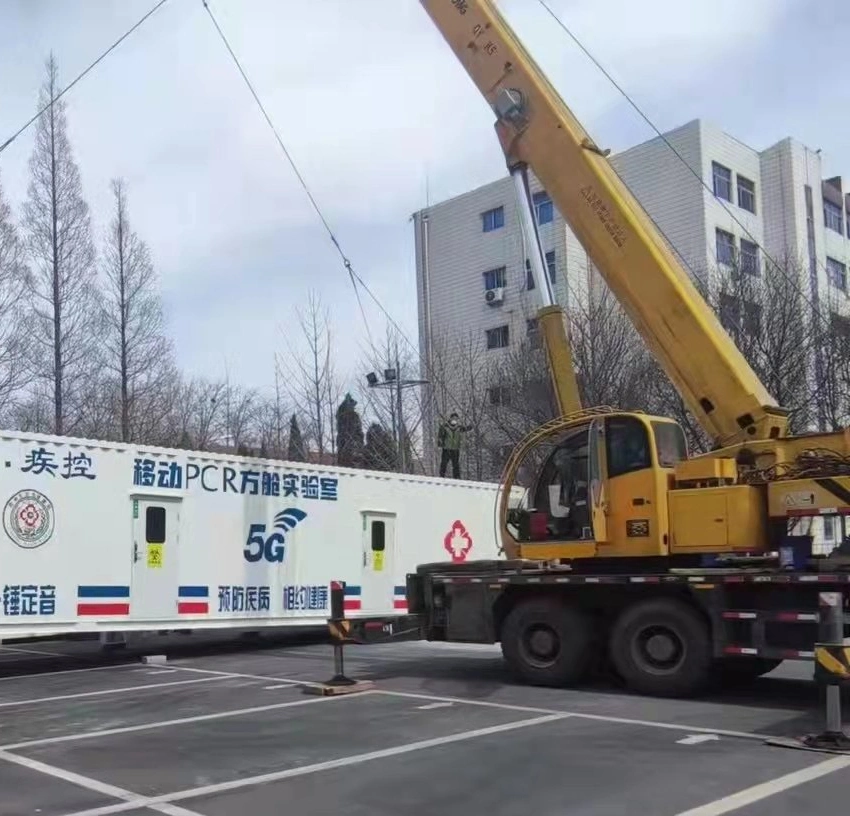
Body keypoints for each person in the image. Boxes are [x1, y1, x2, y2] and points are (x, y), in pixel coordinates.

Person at [437, 412, 470, 478]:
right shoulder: (445, 426)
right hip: (447, 448)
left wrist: (470, 427)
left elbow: (465, 429)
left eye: (456, 418)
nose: (454, 420)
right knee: (444, 463)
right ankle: (441, 476)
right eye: (453, 418)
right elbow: (440, 435)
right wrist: (440, 443)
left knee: (456, 464)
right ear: (450, 418)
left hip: (455, 449)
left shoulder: (459, 427)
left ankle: (456, 478)